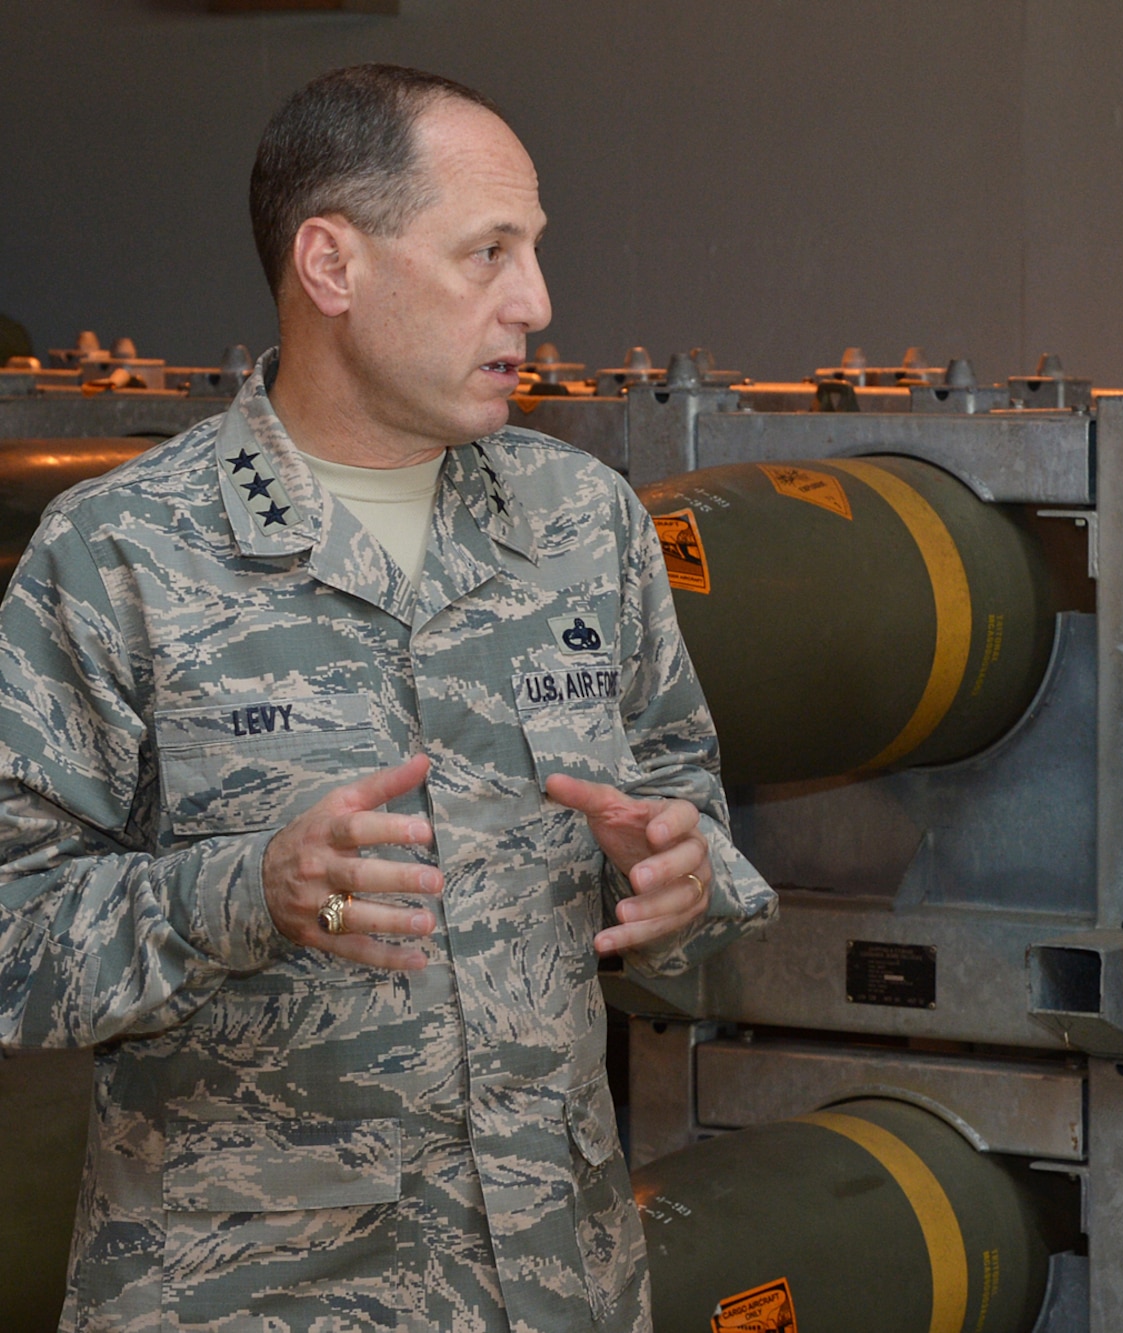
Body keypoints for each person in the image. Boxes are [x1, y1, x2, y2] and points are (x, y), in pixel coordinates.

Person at [0, 64, 774, 1330]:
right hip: (254, 1293)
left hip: (558, 1281)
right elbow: (11, 924)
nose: (536, 300)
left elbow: (683, 802)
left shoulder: (584, 524)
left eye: (533, 250)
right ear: (331, 264)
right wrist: (244, 892)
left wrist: (684, 879)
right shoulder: (121, 554)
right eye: (487, 253)